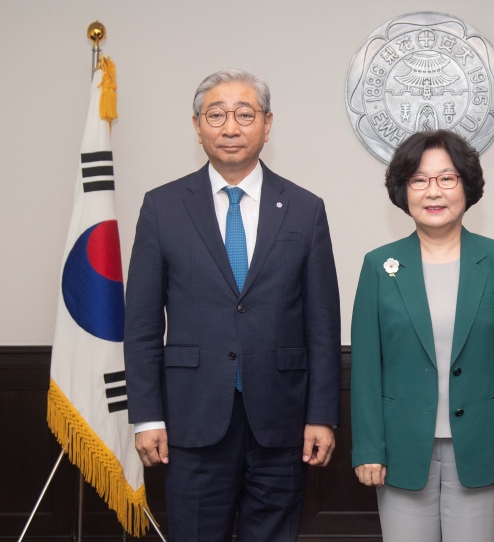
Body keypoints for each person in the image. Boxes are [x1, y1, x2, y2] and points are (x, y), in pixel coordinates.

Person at [123, 68, 341, 541]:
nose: (230, 127)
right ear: (197, 126)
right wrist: (147, 415)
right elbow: (141, 324)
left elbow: (322, 326)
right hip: (191, 418)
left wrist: (321, 414)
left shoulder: (305, 208)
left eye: (244, 114)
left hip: (282, 419)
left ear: (267, 123)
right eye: (216, 115)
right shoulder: (162, 207)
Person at [350, 130, 494, 542]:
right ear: (403, 191)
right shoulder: (379, 266)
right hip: (400, 448)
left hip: (485, 447)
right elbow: (365, 370)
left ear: (467, 186)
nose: (433, 191)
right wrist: (368, 448)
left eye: (447, 178)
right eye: (419, 180)